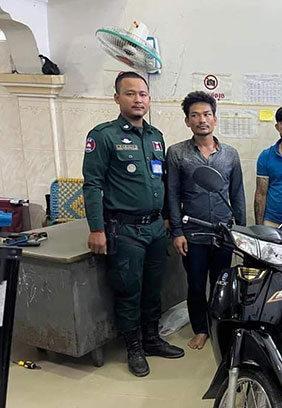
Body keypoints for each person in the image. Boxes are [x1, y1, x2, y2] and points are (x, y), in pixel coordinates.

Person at [83, 71, 184, 377]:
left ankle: (152, 339)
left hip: (155, 228)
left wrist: (166, 217)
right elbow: (93, 185)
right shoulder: (103, 136)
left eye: (143, 94)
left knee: (153, 288)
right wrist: (96, 229)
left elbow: (162, 181)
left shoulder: (156, 137)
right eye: (130, 93)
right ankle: (134, 348)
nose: (138, 99)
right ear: (117, 98)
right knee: (129, 291)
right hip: (124, 230)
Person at [166, 91, 246, 351]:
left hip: (223, 232)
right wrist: (177, 231)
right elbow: (172, 194)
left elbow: (237, 194)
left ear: (215, 119)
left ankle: (218, 325)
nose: (202, 119)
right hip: (193, 233)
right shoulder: (177, 153)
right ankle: (201, 329)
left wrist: (241, 233)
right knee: (197, 284)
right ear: (187, 121)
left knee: (222, 282)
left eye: (207, 114)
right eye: (195, 115)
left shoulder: (230, 154)